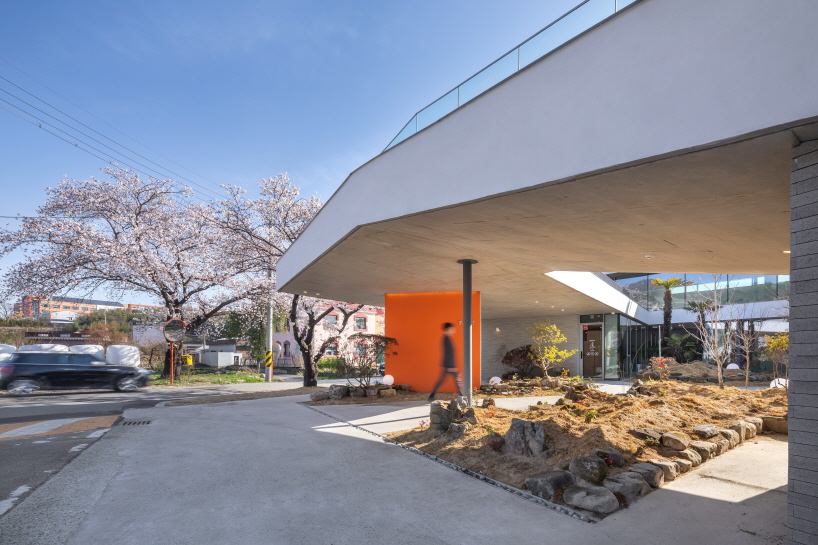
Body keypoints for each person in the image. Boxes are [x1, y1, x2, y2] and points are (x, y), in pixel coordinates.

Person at [428, 322, 464, 401]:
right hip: (449, 365)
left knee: (446, 381)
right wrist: (451, 366)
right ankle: (463, 397)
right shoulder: (446, 339)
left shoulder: (447, 338)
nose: (454, 330)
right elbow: (448, 353)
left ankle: (431, 396)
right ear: (448, 329)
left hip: (449, 365)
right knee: (456, 381)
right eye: (452, 328)